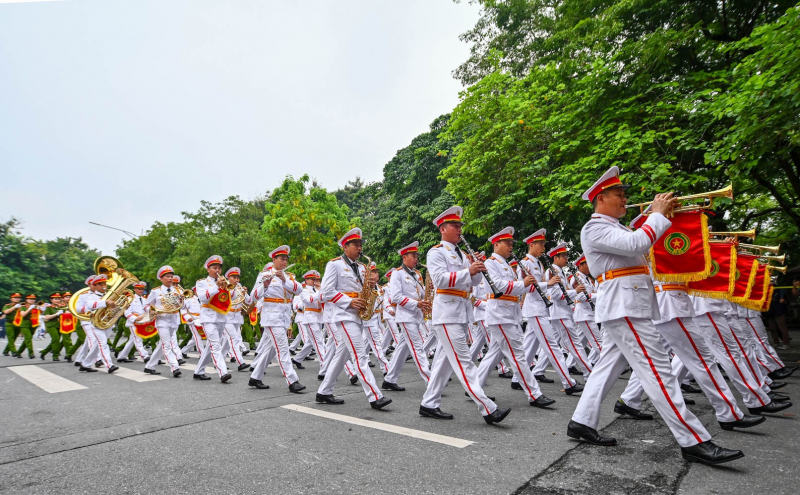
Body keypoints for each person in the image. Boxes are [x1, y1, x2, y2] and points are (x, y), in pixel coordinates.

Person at [568, 166, 742, 465]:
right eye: (619, 195)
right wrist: (657, 215)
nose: (625, 200)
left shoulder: (619, 227)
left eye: (624, 195)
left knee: (607, 366)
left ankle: (582, 421)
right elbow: (638, 244)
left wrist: (666, 219)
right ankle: (693, 440)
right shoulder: (594, 227)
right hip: (624, 306)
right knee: (658, 372)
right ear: (600, 199)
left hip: (629, 305)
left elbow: (648, 250)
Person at [419, 206, 510, 424]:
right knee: (464, 361)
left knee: (444, 362)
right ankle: (488, 408)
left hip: (460, 311)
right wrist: (468, 270)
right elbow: (440, 280)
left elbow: (474, 283)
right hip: (447, 312)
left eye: (460, 225)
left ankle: (429, 403)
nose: (460, 229)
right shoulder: (436, 251)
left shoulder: (462, 254)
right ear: (443, 228)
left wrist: (477, 268)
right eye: (456, 225)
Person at [476, 227, 556, 408]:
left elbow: (522, 288)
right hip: (500, 314)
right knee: (518, 355)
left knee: (494, 354)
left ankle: (474, 387)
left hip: (509, 314)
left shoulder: (506, 264)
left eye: (512, 243)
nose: (511, 247)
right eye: (508, 243)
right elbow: (495, 286)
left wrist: (533, 284)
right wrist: (522, 283)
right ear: (496, 244)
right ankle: (534, 394)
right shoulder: (490, 263)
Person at [316, 228, 391, 410]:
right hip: (343, 314)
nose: (359, 248)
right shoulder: (334, 264)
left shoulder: (362, 267)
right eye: (356, 245)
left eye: (360, 244)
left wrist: (370, 289)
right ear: (345, 247)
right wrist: (349, 301)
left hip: (357, 316)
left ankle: (324, 392)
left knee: (342, 355)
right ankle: (375, 396)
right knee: (360, 354)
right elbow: (326, 292)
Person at [247, 246, 306, 393]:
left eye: (286, 259)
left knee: (271, 350)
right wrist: (264, 286)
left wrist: (285, 279)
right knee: (283, 349)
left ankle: (255, 377)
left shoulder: (289, 276)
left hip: (284, 317)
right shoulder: (264, 275)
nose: (285, 262)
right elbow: (252, 297)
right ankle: (292, 381)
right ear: (274, 260)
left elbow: (299, 290)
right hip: (272, 317)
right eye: (282, 259)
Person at [383, 241, 432, 391]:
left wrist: (429, 294)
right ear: (404, 257)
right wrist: (416, 304)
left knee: (402, 348)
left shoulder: (416, 274)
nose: (417, 258)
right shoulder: (398, 273)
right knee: (418, 348)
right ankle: (431, 381)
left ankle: (389, 380)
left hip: (415, 316)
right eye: (413, 255)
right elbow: (396, 297)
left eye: (417, 255)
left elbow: (423, 293)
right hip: (405, 316)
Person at [193, 255, 232, 383]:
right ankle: (223, 372)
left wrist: (235, 287)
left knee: (211, 345)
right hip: (208, 317)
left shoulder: (224, 282)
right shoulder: (201, 282)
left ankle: (199, 371)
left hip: (221, 317)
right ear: (208, 269)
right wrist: (216, 286)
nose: (217, 271)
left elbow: (230, 298)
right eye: (214, 268)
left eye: (219, 268)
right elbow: (203, 298)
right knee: (216, 346)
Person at [77, 276, 119, 374]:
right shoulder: (89, 296)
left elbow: (115, 309)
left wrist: (118, 306)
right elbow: (90, 305)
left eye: (104, 284)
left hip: (107, 323)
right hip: (96, 324)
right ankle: (110, 365)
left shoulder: (109, 295)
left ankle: (86, 364)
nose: (103, 286)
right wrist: (105, 302)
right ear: (94, 286)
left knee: (97, 344)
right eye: (100, 284)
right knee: (103, 343)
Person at [766, 280, 791, 349]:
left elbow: (787, 302)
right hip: (770, 312)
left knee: (782, 328)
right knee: (772, 328)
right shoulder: (766, 292)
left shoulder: (780, 291)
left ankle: (786, 344)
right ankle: (776, 342)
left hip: (779, 312)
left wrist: (784, 300)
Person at [41, 293, 64, 361]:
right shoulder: (49, 308)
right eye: (55, 299)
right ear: (51, 300)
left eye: (59, 299)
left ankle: (44, 352)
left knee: (54, 341)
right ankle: (55, 356)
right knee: (56, 340)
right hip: (51, 325)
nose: (57, 300)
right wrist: (56, 314)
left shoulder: (61, 307)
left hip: (59, 325)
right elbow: (47, 317)